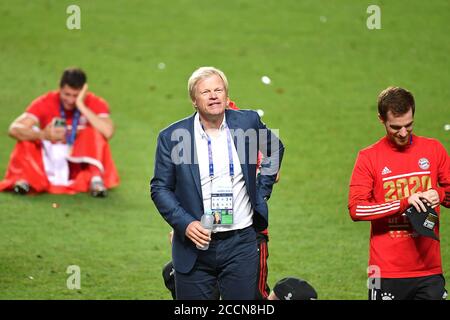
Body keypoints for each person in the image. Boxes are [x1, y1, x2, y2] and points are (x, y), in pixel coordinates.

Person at [151, 66, 284, 300]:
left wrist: (262, 191)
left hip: (240, 243)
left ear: (226, 95)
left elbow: (275, 150)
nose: (213, 95)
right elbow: (160, 188)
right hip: (195, 245)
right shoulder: (172, 136)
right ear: (194, 100)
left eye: (218, 90)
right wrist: (185, 224)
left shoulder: (247, 122)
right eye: (205, 92)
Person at [348, 86, 450, 300]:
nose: (403, 133)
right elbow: (357, 210)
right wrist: (404, 202)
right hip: (383, 271)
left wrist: (438, 194)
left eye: (409, 125)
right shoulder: (369, 157)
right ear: (381, 119)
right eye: (395, 127)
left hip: (429, 271)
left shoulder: (434, 149)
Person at [0, 67, 119, 197]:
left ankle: (95, 181)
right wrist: (43, 135)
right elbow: (14, 129)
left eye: (76, 96)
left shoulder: (94, 103)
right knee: (28, 134)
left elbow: (108, 132)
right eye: (67, 94)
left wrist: (81, 105)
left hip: (78, 161)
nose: (71, 100)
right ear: (60, 88)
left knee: (94, 133)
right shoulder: (46, 101)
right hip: (51, 155)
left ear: (84, 91)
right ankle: (26, 180)